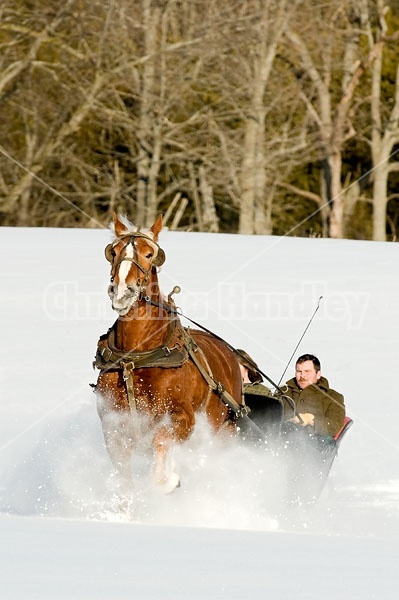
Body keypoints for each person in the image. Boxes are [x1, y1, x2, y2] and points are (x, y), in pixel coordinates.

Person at [281, 353, 345, 440]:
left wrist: (310, 420)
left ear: (318, 374)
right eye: (299, 371)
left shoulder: (333, 397)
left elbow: (334, 425)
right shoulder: (284, 391)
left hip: (314, 444)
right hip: (279, 439)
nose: (302, 376)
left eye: (307, 371)